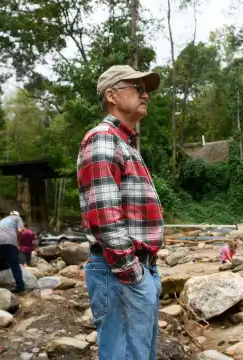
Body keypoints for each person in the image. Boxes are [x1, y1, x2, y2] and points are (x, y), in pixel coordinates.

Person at [77, 65, 164, 360]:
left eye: (146, 90)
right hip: (122, 274)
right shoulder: (103, 138)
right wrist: (134, 274)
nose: (146, 95)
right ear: (112, 96)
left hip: (134, 271)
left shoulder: (123, 142)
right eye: (137, 89)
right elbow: (104, 216)